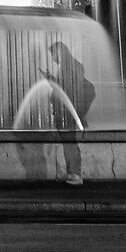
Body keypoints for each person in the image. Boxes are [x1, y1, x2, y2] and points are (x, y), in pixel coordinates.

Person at [43, 40, 92, 186]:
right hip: (69, 111)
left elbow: (64, 91)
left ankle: (76, 174)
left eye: (52, 54)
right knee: (69, 143)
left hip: (66, 113)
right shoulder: (73, 66)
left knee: (70, 143)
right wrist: (51, 79)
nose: (52, 58)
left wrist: (52, 83)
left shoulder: (67, 68)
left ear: (59, 52)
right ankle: (73, 172)